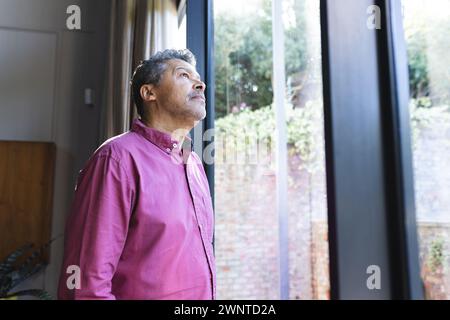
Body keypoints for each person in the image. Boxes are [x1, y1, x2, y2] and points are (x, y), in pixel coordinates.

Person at [57, 49, 216, 300]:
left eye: (198, 79)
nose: (200, 84)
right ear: (149, 92)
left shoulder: (194, 164)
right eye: (184, 75)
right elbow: (86, 284)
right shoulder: (116, 159)